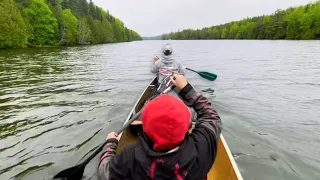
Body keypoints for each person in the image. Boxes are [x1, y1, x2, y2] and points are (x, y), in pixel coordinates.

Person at [98, 74, 222, 180]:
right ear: (188, 127)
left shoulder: (131, 155)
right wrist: (186, 89)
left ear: (144, 126)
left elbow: (105, 173)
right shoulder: (202, 146)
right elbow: (211, 116)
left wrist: (111, 143)